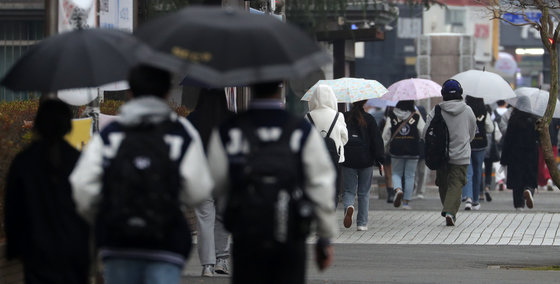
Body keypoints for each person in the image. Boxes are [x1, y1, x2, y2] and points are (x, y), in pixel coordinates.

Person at [70, 65, 214, 284]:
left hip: (118, 242)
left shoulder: (112, 133)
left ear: (130, 92)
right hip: (166, 243)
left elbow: (81, 187)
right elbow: (199, 189)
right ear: (167, 92)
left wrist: (104, 214)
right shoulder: (180, 132)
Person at [207, 82, 336, 284]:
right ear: (282, 86)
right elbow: (320, 184)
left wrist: (232, 210)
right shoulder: (301, 130)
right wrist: (325, 236)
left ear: (250, 86)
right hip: (291, 233)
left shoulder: (229, 130)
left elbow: (215, 183)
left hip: (247, 235)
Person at [5, 99, 90, 283]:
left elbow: (13, 208)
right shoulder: (78, 159)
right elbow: (89, 206)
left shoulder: (23, 161)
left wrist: (14, 247)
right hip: (73, 251)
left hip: (35, 251)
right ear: (68, 124)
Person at [187, 88, 233, 277]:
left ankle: (207, 265)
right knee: (222, 217)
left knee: (204, 219)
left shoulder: (193, 119)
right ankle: (222, 259)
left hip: (202, 174)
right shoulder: (231, 118)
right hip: (224, 174)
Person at [422, 79, 476, 226]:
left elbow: (425, 132)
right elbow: (472, 133)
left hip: (441, 155)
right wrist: (464, 142)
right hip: (461, 155)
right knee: (456, 185)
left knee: (443, 184)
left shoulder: (437, 110)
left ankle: (448, 208)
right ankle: (450, 212)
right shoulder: (467, 110)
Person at [341, 100, 385, 231]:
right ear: (364, 102)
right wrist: (380, 159)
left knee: (348, 190)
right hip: (366, 159)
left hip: (348, 158)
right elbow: (376, 140)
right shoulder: (369, 119)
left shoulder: (344, 117)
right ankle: (362, 223)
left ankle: (349, 206)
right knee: (364, 192)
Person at [306, 84, 348, 206]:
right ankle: (331, 211)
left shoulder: (308, 116)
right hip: (335, 157)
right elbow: (345, 138)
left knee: (315, 186)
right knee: (333, 188)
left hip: (314, 158)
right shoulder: (338, 116)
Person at [382, 100, 425, 209]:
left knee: (396, 173)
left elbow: (386, 134)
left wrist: (383, 147)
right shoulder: (415, 116)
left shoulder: (391, 115)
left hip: (396, 149)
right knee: (410, 175)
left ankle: (398, 189)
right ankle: (405, 202)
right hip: (413, 149)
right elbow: (423, 131)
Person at [500, 97, 538, 210]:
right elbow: (538, 138)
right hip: (531, 154)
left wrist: (504, 158)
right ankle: (529, 190)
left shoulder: (513, 119)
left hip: (515, 155)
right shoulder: (534, 120)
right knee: (530, 178)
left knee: (517, 182)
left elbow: (508, 139)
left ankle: (519, 205)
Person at [461, 96, 494, 211]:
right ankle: (476, 200)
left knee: (468, 171)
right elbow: (490, 128)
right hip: (480, 145)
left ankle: (468, 198)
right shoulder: (484, 111)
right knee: (478, 172)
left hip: (467, 144)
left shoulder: (464, 110)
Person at [537, 118, 560, 191]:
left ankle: (542, 181)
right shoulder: (556, 116)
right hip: (553, 142)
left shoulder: (540, 115)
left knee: (540, 162)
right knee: (551, 162)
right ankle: (548, 178)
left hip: (541, 142)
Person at [413, 104, 428, 200]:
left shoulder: (422, 112)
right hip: (415, 149)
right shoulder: (412, 117)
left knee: (421, 171)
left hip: (422, 149)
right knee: (415, 172)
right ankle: (416, 189)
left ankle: (419, 190)